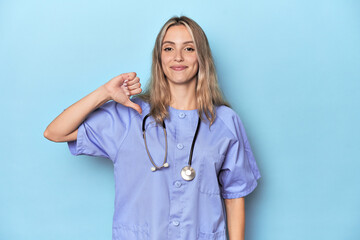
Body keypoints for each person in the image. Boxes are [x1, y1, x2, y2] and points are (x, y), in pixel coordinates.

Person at [44, 16, 260, 240]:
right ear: (159, 58)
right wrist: (105, 93)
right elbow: (55, 131)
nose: (178, 57)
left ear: (202, 57)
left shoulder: (225, 121)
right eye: (168, 48)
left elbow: (235, 195)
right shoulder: (129, 115)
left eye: (189, 48)